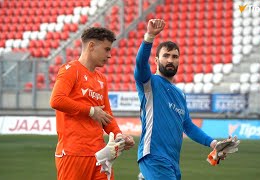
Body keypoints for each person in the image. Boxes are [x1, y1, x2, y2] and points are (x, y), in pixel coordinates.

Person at [134, 19, 237, 180]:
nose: (170, 60)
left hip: (172, 163)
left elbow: (188, 126)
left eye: (175, 56)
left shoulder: (180, 94)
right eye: (166, 56)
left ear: (179, 61)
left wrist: (214, 144)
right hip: (154, 157)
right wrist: (149, 37)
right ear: (156, 60)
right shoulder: (149, 83)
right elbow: (140, 64)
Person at [50, 27, 135, 180]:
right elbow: (57, 100)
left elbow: (107, 116)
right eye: (106, 49)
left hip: (100, 155)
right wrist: (91, 111)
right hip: (73, 153)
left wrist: (120, 136)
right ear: (91, 46)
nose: (109, 55)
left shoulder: (102, 79)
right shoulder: (71, 70)